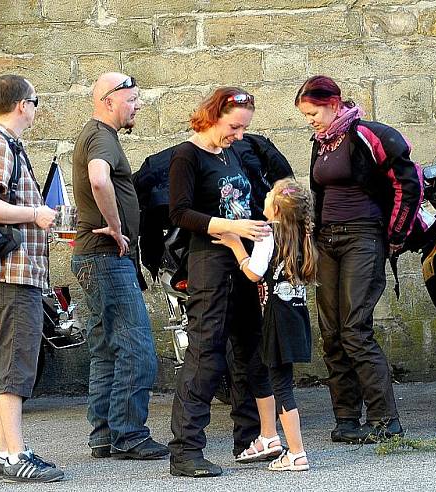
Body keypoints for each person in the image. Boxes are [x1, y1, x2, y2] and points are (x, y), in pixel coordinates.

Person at [294, 75, 423, 443]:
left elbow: (407, 181)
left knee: (354, 329)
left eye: (313, 112)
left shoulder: (369, 134)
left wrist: (396, 235)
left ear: (333, 103)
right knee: (332, 333)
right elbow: (319, 193)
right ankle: (347, 419)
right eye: (305, 115)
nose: (310, 120)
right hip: (328, 242)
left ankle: (386, 421)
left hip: (363, 238)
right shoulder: (321, 143)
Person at [167, 87, 272, 477]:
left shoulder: (228, 152)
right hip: (211, 264)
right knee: (205, 354)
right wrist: (233, 227)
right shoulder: (186, 155)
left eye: (244, 128)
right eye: (234, 127)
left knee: (249, 349)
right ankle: (185, 451)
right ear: (212, 116)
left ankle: (248, 440)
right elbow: (179, 212)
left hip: (242, 261)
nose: (240, 135)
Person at [0, 74, 63, 482]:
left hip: (11, 273)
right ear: (23, 105)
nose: (37, 108)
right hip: (10, 274)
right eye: (36, 100)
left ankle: (10, 451)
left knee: (5, 365)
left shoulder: (4, 144)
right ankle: (12, 456)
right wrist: (35, 214)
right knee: (12, 367)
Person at [71, 72, 169, 460]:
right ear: (109, 100)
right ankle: (129, 434)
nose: (138, 105)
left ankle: (104, 435)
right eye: (132, 99)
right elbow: (99, 180)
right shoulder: (99, 135)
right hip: (105, 257)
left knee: (107, 349)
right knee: (138, 348)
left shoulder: (99, 135)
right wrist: (114, 225)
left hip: (94, 257)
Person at [214, 178, 317, 472]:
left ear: (276, 208)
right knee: (266, 373)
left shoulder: (267, 233)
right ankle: (269, 436)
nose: (266, 195)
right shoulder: (298, 233)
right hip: (295, 315)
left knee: (282, 386)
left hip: (276, 318)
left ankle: (296, 453)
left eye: (270, 194)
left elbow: (254, 273)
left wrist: (235, 245)